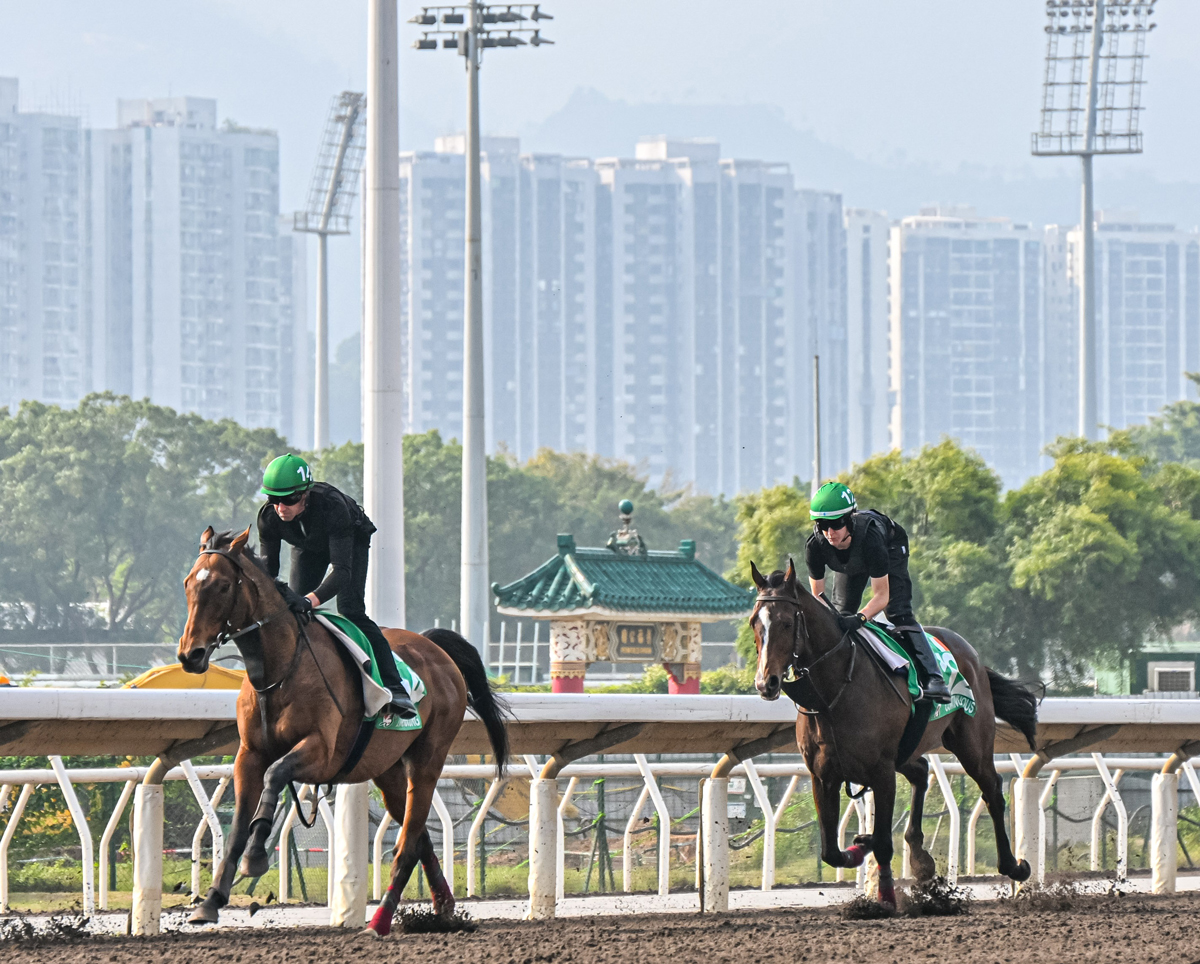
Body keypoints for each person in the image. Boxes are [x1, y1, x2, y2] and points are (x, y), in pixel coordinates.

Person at [257, 453, 416, 719]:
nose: (281, 507)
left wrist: (310, 600)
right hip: (307, 546)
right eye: (274, 500)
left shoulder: (332, 506)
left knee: (351, 610)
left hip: (350, 540)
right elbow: (268, 573)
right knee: (291, 612)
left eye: (289, 499)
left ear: (305, 494)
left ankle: (395, 687)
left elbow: (341, 572)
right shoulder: (268, 518)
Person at [805, 481, 951, 704]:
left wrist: (862, 618)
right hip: (854, 561)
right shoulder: (815, 545)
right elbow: (819, 600)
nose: (829, 533)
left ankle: (934, 678)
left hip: (890, 547)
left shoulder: (872, 539)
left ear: (849, 520)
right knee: (839, 615)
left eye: (835, 524)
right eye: (823, 525)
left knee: (897, 612)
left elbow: (881, 596)